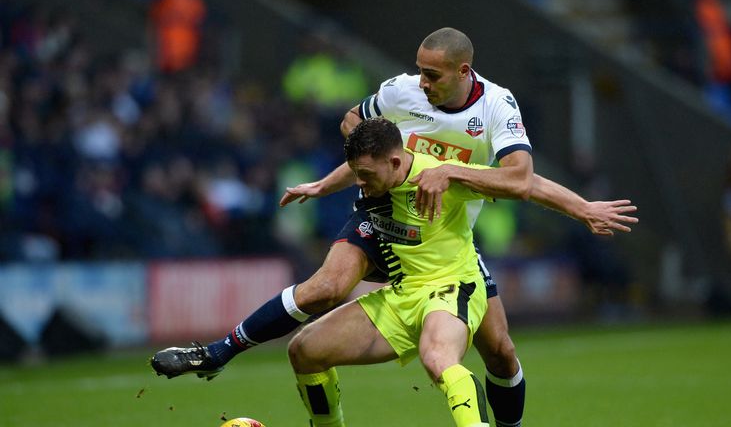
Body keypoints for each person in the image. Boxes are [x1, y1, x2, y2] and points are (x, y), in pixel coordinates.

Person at [151, 28, 638, 427]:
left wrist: (579, 207)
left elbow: (522, 180)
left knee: (501, 352)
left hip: (445, 236)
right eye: (420, 71)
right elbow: (353, 125)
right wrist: (358, 172)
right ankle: (218, 352)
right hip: (382, 209)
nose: (422, 83)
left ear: (463, 72)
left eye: (433, 75)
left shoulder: (496, 108)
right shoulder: (400, 93)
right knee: (327, 288)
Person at [290, 117, 494, 427]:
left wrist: (585, 209)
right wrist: (321, 186)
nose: (359, 183)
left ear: (394, 161)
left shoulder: (441, 175)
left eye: (366, 175)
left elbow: (526, 184)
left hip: (450, 286)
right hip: (403, 295)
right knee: (305, 350)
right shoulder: (378, 181)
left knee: (438, 358)